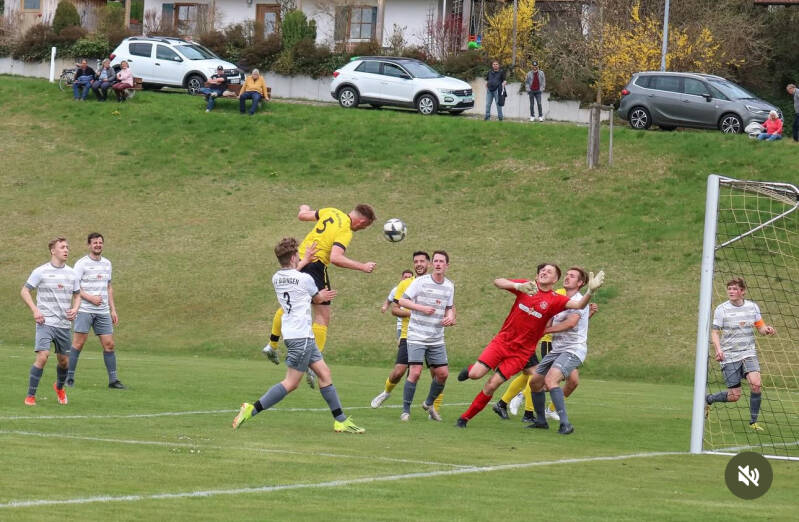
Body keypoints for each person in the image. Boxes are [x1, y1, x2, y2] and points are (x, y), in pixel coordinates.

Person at [232, 237, 365, 434]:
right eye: (299, 255)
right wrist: (323, 295)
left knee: (325, 374)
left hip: (296, 335)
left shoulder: (276, 278)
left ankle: (341, 421)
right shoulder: (306, 279)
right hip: (301, 337)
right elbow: (317, 298)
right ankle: (251, 409)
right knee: (291, 383)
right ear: (294, 257)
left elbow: (293, 275)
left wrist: (305, 261)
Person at [454, 264, 604, 428]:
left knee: (492, 385)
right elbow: (498, 282)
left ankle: (464, 419)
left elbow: (579, 305)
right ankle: (471, 371)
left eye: (549, 271)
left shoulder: (555, 299)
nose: (544, 272)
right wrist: (517, 286)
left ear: (555, 279)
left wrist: (590, 291)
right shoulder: (526, 287)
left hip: (521, 353)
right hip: (502, 342)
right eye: (542, 270)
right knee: (475, 374)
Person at [264, 204, 377, 388]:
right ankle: (313, 362)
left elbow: (302, 216)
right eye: (364, 226)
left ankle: (271, 345)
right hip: (315, 265)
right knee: (322, 316)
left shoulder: (331, 211)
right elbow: (336, 258)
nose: (362, 229)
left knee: (288, 306)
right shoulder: (346, 229)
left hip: (298, 260)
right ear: (362, 221)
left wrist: (303, 208)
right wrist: (362, 266)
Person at [371, 252, 445, 417]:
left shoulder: (438, 283)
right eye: (416, 262)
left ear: (429, 264)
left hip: (432, 336)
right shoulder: (405, 283)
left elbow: (448, 305)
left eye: (422, 261)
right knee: (399, 371)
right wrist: (414, 313)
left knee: (438, 374)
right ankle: (386, 392)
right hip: (409, 334)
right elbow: (395, 309)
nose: (419, 264)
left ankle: (434, 409)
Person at [528, 267, 593, 434]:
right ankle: (541, 421)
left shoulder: (580, 300)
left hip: (573, 349)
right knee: (535, 382)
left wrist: (545, 331)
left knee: (551, 380)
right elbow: (548, 320)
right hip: (557, 349)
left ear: (580, 283)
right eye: (567, 275)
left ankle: (565, 424)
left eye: (572, 276)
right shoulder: (559, 300)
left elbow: (571, 323)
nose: (567, 277)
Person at [705, 278, 776, 432]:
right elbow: (715, 332)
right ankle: (709, 399)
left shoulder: (752, 307)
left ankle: (753, 422)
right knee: (734, 396)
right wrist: (718, 350)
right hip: (729, 355)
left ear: (742, 291)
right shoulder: (721, 309)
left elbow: (760, 327)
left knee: (756, 384)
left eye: (734, 289)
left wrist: (767, 330)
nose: (731, 291)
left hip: (748, 353)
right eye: (729, 288)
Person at [19, 237, 80, 406]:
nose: (66, 250)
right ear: (53, 251)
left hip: (64, 325)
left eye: (67, 247)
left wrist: (75, 308)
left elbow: (77, 295)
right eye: (62, 247)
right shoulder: (41, 271)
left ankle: (59, 387)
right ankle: (30, 396)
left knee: (64, 362)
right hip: (45, 322)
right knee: (43, 356)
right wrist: (35, 310)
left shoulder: (72, 273)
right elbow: (24, 291)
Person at [396, 251, 455, 422]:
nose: (438, 264)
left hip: (436, 337)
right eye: (435, 261)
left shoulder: (449, 286)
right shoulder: (420, 282)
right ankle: (405, 411)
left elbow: (449, 307)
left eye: (441, 261)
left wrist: (450, 317)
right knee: (415, 372)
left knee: (443, 374)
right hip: (417, 335)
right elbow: (402, 301)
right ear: (432, 264)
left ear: (447, 265)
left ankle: (428, 403)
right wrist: (421, 308)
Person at [67, 233, 124, 389]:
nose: (98, 245)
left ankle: (113, 381)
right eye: (95, 243)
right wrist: (90, 298)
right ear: (89, 245)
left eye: (100, 242)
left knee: (109, 344)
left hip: (103, 311)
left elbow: (109, 287)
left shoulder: (107, 263)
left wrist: (113, 309)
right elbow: (74, 287)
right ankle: (69, 378)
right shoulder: (81, 264)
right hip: (84, 310)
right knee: (78, 344)